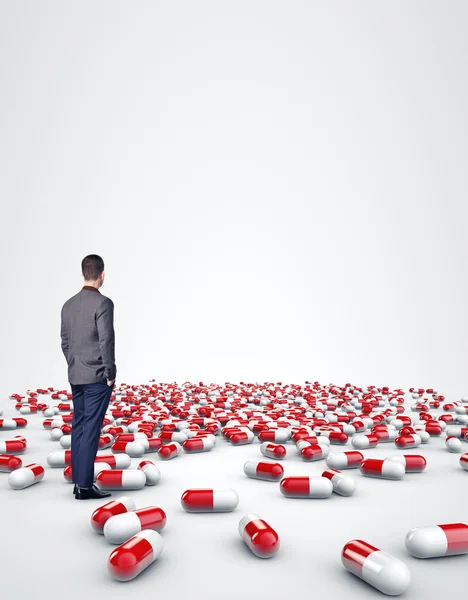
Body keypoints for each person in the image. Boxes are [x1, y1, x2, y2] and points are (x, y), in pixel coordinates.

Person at [60, 254, 116, 499]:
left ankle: (78, 481)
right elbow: (106, 341)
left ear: (83, 273)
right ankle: (84, 487)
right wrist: (110, 372)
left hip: (76, 375)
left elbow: (65, 342)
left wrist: (75, 364)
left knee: (79, 427)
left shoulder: (68, 305)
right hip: (97, 377)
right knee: (91, 430)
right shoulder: (104, 303)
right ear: (102, 275)